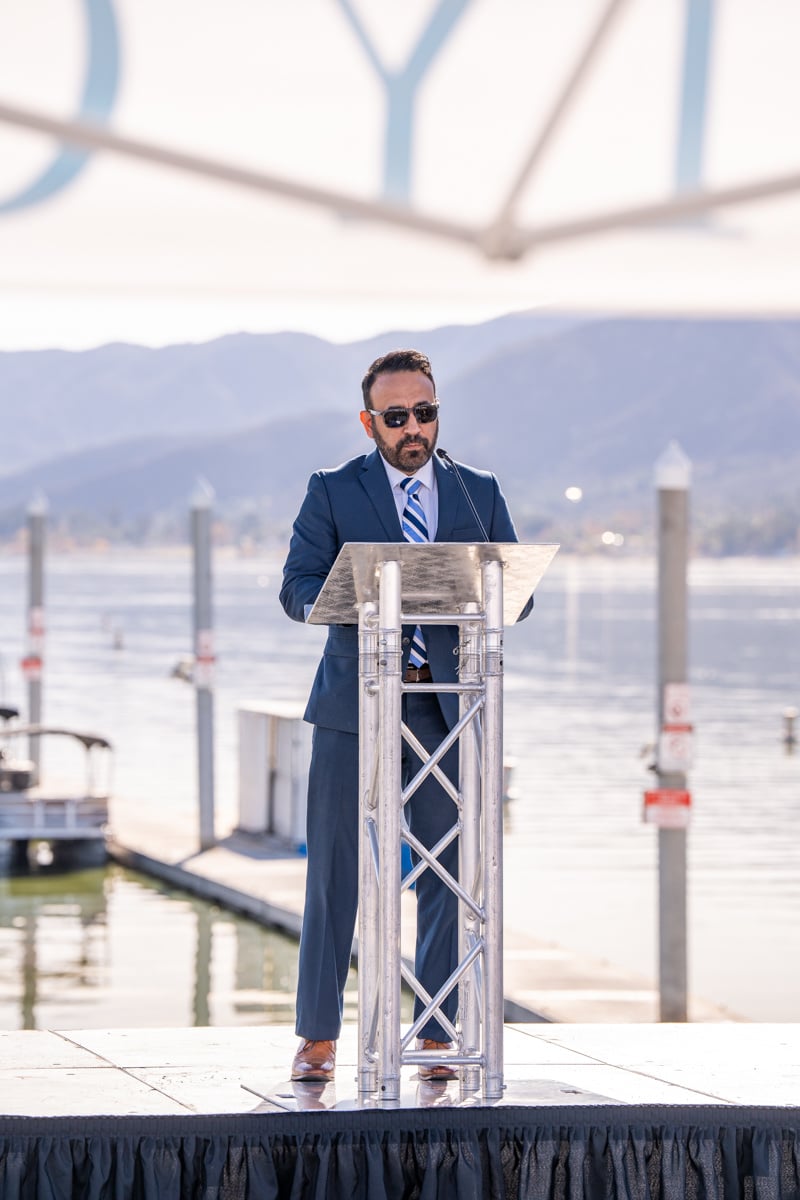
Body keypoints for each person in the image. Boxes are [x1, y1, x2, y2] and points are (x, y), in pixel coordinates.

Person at [279, 348, 531, 1083]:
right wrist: (339, 600)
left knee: (447, 867)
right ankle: (318, 1036)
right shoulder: (331, 490)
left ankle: (434, 1033)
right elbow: (296, 585)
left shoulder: (475, 489)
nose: (414, 427)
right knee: (333, 869)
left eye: (425, 411)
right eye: (397, 417)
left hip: (444, 706)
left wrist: (483, 591)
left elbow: (516, 588)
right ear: (370, 423)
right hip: (351, 704)